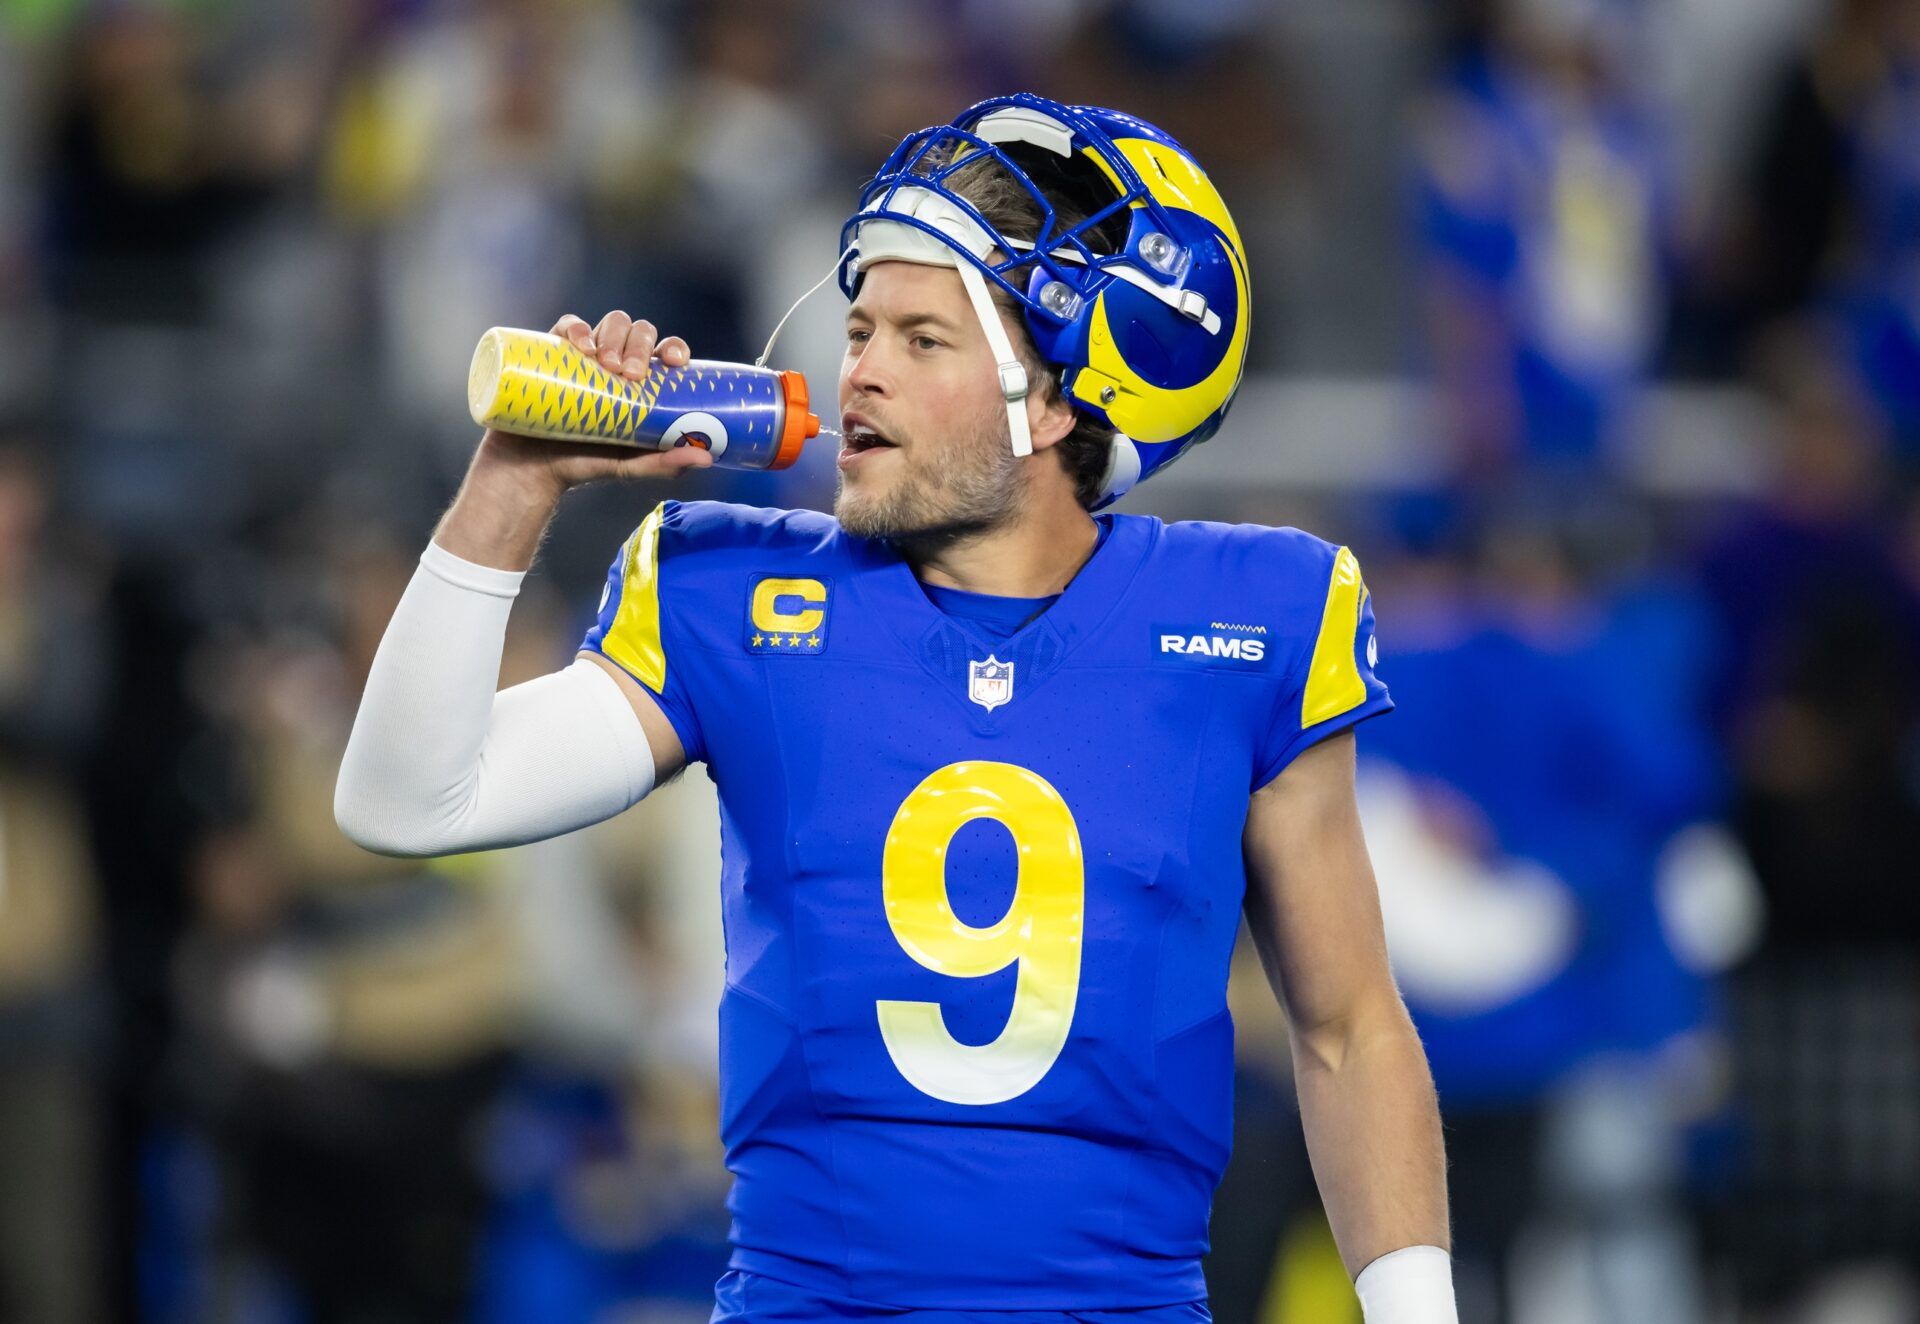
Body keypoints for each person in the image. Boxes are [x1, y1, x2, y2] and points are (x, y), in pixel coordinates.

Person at [336, 93, 1455, 1323]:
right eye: (862, 324)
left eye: (924, 339)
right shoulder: (739, 594)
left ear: (1064, 397)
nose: (858, 368)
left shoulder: (1254, 615)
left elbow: (1348, 1027)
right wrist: (515, 480)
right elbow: (408, 799)